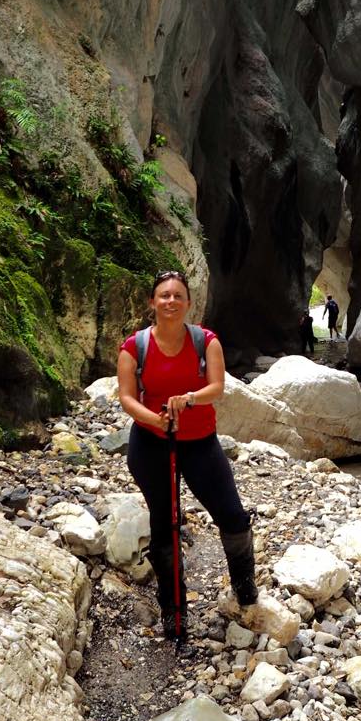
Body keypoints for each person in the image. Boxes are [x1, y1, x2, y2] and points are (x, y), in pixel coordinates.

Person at [117, 269, 257, 641]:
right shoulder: (134, 347)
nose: (171, 301)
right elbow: (127, 397)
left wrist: (189, 399)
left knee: (233, 515)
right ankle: (172, 610)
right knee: (164, 525)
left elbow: (217, 387)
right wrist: (154, 419)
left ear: (189, 303)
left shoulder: (205, 341)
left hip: (199, 442)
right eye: (164, 295)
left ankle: (245, 588)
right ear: (152, 302)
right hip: (151, 444)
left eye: (178, 295)